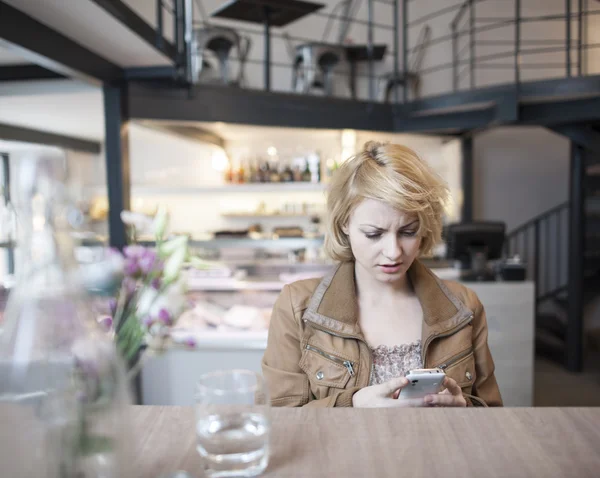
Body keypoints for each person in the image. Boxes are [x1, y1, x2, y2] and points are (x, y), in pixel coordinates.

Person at [262, 142, 502, 408]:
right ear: (344, 224)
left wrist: (465, 407)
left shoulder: (464, 307)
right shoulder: (297, 307)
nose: (393, 252)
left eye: (408, 231)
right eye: (374, 234)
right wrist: (351, 405)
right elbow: (280, 421)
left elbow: (492, 412)